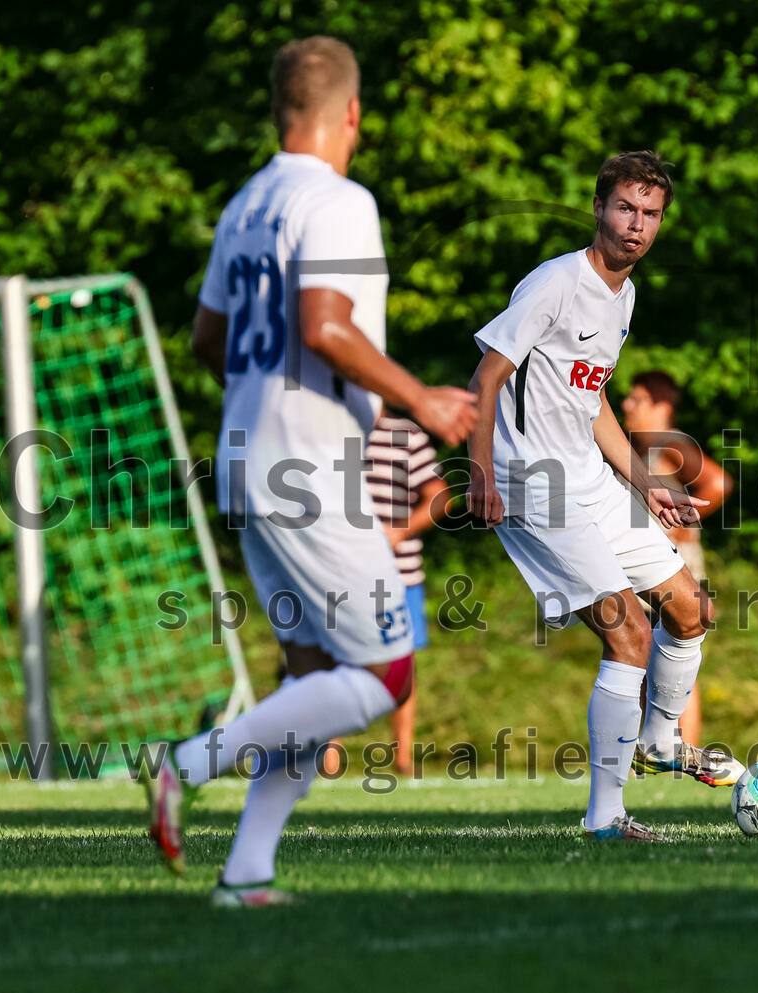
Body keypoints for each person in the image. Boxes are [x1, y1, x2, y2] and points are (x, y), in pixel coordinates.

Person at [140, 36, 475, 904]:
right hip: (310, 464)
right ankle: (189, 763)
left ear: (277, 110)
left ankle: (246, 873)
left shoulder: (245, 203)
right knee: (383, 674)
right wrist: (423, 401)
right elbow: (326, 324)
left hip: (246, 456)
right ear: (351, 113)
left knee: (311, 675)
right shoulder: (338, 200)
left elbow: (209, 342)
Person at [467, 150, 743, 842]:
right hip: (531, 480)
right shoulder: (556, 282)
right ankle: (606, 818)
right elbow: (486, 377)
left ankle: (658, 741)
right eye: (625, 208)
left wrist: (644, 483)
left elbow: (589, 402)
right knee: (628, 631)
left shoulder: (623, 297)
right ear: (598, 208)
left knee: (692, 610)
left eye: (650, 214)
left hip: (589, 476)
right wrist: (479, 472)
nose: (636, 225)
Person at [322, 412, 450, 776]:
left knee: (399, 665)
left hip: (398, 573)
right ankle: (328, 759)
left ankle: (402, 758)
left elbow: (440, 497)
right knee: (335, 662)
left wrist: (397, 532)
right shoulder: (325, 431)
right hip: (336, 573)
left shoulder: (406, 436)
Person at [621, 371, 734, 748]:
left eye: (637, 399)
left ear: (661, 406)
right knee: (642, 661)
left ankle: (681, 751)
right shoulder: (638, 447)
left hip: (670, 568)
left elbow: (718, 482)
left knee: (674, 662)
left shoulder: (665, 442)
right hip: (645, 570)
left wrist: (689, 520)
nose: (627, 405)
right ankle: (652, 749)